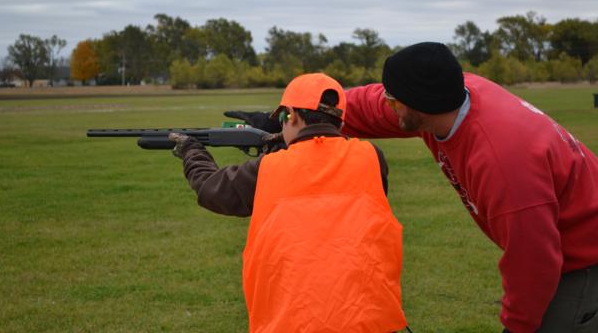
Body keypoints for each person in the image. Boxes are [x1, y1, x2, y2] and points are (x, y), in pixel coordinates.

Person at [227, 43, 598, 333]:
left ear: (419, 106)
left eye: (393, 100)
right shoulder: (449, 98)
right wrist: (294, 117)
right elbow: (367, 105)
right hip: (554, 246)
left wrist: (516, 327)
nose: (387, 105)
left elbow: (533, 259)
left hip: (582, 258)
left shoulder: (501, 159)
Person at [171, 73, 410, 333]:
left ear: (292, 116)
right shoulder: (372, 157)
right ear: (341, 121)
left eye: (283, 118)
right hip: (370, 321)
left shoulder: (267, 169)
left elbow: (210, 188)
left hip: (293, 323)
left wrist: (191, 151)